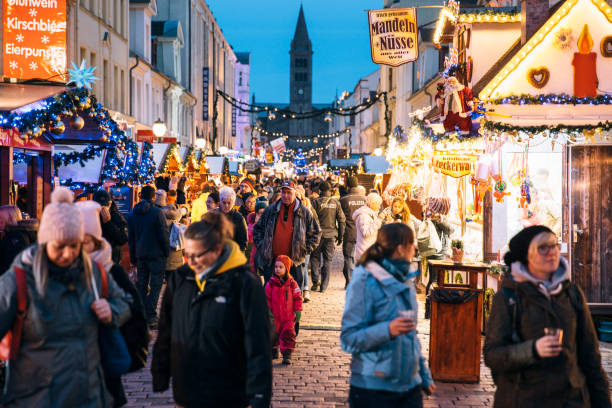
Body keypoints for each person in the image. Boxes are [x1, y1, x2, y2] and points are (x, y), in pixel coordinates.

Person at [0, 187, 131, 407]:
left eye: (74, 245)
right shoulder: (20, 278)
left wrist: (112, 311)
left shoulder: (93, 273)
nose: (68, 253)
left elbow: (124, 304)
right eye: (60, 245)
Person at [151, 211, 272, 408]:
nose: (191, 262)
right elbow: (167, 327)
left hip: (228, 390)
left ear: (216, 250)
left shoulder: (243, 282)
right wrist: (161, 371)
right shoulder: (182, 278)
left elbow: (258, 341)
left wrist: (259, 395)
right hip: (187, 388)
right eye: (187, 255)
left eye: (197, 255)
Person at [484, 225, 610, 408]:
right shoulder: (508, 297)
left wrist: (603, 402)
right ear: (526, 255)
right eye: (543, 247)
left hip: (572, 400)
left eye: (555, 245)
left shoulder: (571, 294)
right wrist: (533, 350)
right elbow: (492, 355)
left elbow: (590, 357)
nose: (552, 252)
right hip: (522, 400)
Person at [341, 223, 435, 407]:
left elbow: (410, 333)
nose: (415, 248)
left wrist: (423, 374)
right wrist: (387, 330)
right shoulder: (364, 280)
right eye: (412, 243)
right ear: (400, 249)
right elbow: (349, 338)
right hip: (373, 389)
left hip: (409, 387)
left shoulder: (406, 278)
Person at [77, 200, 149, 408]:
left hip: (103, 362)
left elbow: (135, 312)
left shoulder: (110, 270)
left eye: (85, 242)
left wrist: (113, 313)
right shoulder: (58, 271)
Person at [253, 180, 321, 288]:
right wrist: (263, 246)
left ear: (294, 193)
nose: (285, 195)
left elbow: (316, 233)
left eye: (289, 192)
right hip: (272, 261)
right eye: (283, 192)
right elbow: (257, 230)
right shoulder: (271, 210)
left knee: (293, 295)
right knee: (271, 294)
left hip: (294, 262)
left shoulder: (304, 212)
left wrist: (304, 249)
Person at [128, 185, 169, 329]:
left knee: (142, 285)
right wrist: (166, 252)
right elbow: (163, 234)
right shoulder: (157, 213)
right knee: (156, 285)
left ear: (140, 196)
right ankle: (151, 316)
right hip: (157, 255)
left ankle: (141, 314)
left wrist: (133, 258)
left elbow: (131, 238)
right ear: (153, 197)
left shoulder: (133, 213)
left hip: (140, 255)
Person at [265, 255, 303, 365]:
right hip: (274, 315)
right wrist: (267, 309)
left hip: (288, 316)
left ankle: (287, 353)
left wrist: (298, 310)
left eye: (281, 267)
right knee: (273, 334)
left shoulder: (292, 284)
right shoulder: (270, 284)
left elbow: (297, 297)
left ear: (286, 268)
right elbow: (266, 297)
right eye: (276, 267)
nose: (277, 269)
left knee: (288, 334)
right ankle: (273, 350)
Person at [310, 181, 345, 293]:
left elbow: (310, 219)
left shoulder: (314, 202)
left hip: (317, 235)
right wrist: (340, 236)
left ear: (319, 191)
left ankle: (316, 281)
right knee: (327, 260)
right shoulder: (335, 202)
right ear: (330, 191)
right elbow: (341, 220)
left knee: (315, 258)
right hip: (330, 235)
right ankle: (324, 285)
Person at [340, 177, 367, 288]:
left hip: (349, 231)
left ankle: (350, 281)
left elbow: (340, 218)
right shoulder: (365, 199)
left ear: (348, 186)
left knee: (348, 257)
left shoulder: (344, 199)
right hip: (363, 231)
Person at [93, 190, 128, 264]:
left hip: (112, 259)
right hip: (95, 258)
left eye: (105, 206)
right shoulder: (91, 216)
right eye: (99, 206)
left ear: (110, 203)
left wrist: (108, 223)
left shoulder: (117, 217)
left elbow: (123, 239)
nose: (102, 209)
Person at [353, 193, 383, 261]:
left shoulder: (370, 214)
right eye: (378, 204)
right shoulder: (364, 216)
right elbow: (366, 233)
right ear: (372, 203)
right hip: (365, 252)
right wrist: (379, 220)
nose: (379, 207)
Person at [219, 186, 248, 252]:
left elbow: (243, 242)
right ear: (220, 202)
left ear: (233, 203)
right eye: (224, 203)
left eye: (229, 203)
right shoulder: (214, 215)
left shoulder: (239, 218)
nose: (226, 205)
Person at [247, 198, 268, 275]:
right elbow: (249, 240)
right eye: (259, 213)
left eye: (263, 213)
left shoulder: (269, 227)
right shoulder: (251, 226)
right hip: (251, 259)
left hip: (264, 260)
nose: (261, 216)